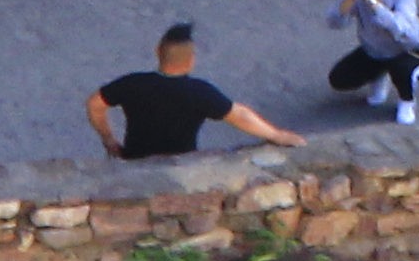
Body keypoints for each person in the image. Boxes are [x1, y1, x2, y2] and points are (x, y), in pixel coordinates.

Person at [87, 22, 296, 159]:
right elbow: (240, 115)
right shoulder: (200, 93)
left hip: (135, 158)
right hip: (183, 163)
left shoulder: (132, 84)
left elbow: (95, 104)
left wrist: (108, 139)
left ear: (158, 52)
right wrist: (277, 135)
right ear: (191, 60)